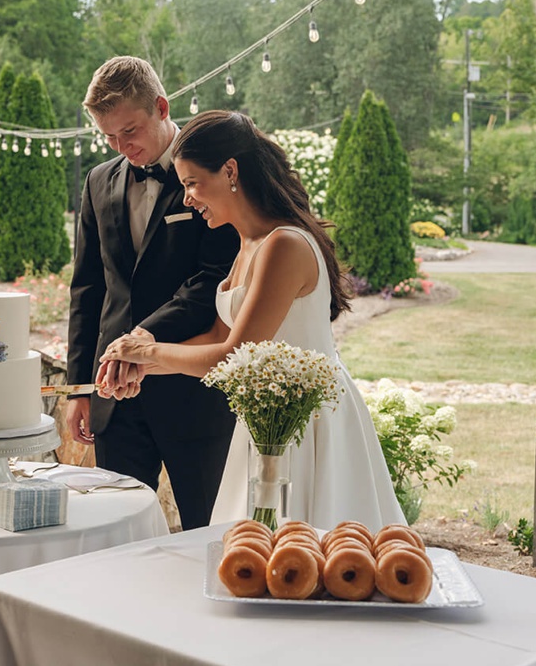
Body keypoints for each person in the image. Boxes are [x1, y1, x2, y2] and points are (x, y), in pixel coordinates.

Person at [101, 109, 403, 528]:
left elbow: (232, 357)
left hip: (308, 422)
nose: (187, 197)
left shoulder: (284, 245)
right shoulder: (246, 245)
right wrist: (143, 365)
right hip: (264, 416)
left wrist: (148, 349)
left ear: (230, 171)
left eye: (192, 183)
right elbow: (215, 335)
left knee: (315, 552)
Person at [63, 58, 239, 529]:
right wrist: (80, 386)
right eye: (109, 138)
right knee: (113, 532)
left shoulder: (208, 174)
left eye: (131, 131)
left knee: (209, 531)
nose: (123, 147)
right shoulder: (98, 181)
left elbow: (212, 279)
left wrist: (142, 339)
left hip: (193, 392)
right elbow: (88, 287)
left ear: (162, 108)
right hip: (114, 396)